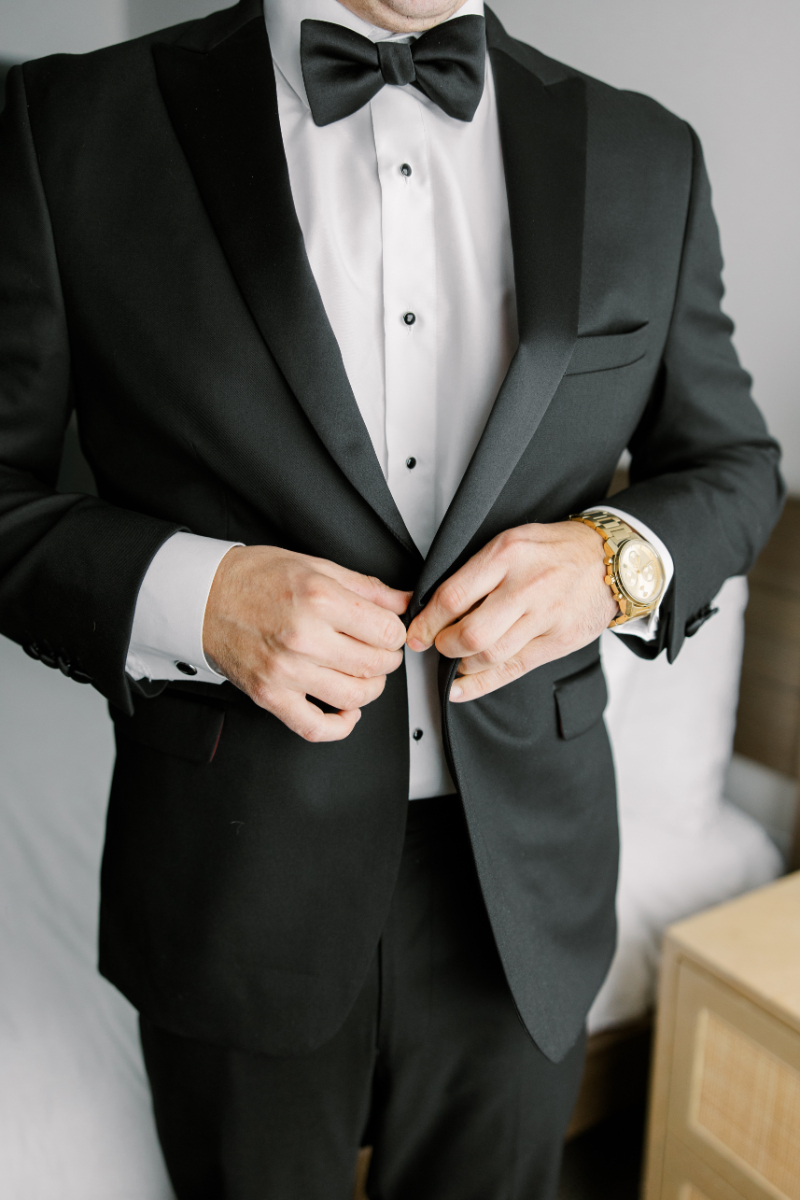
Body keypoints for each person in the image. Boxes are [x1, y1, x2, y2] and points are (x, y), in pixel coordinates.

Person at [0, 0, 783, 1196]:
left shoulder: (644, 150)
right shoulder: (69, 122)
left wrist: (609, 561)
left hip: (520, 893)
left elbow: (733, 467)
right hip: (229, 879)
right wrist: (196, 595)